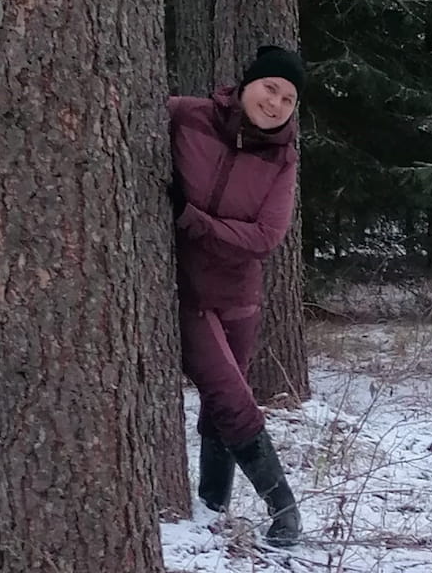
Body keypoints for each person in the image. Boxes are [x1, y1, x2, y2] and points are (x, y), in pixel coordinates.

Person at [166, 45, 304, 547]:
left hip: (241, 298)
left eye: (288, 99)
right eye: (270, 88)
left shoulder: (283, 159)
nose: (276, 103)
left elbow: (267, 237)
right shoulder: (188, 116)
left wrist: (195, 221)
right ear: (246, 83)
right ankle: (284, 508)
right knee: (230, 396)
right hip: (190, 293)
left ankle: (211, 507)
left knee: (218, 407)